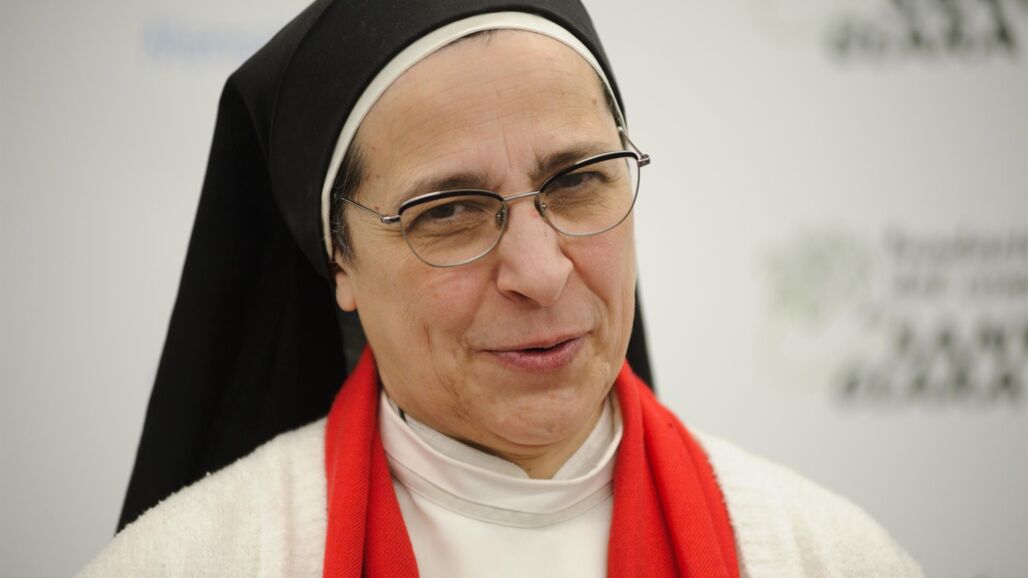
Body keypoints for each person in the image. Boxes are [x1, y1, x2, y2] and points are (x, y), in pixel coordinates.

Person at [82, 1, 923, 576]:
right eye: (449, 211)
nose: (541, 271)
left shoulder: (823, 556)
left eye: (578, 181)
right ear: (340, 261)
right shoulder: (192, 562)